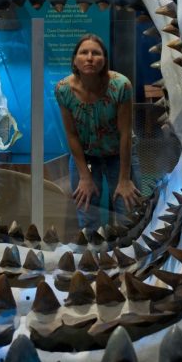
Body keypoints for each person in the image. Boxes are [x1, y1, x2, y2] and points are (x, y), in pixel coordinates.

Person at [55, 33, 140, 231]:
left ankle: (126, 254)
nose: (90, 57)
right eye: (84, 52)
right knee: (87, 213)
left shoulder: (121, 86)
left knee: (127, 213)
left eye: (96, 53)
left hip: (119, 154)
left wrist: (124, 179)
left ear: (105, 60)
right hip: (86, 156)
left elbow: (125, 134)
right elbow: (72, 135)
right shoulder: (63, 89)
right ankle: (90, 256)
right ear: (75, 60)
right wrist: (85, 177)